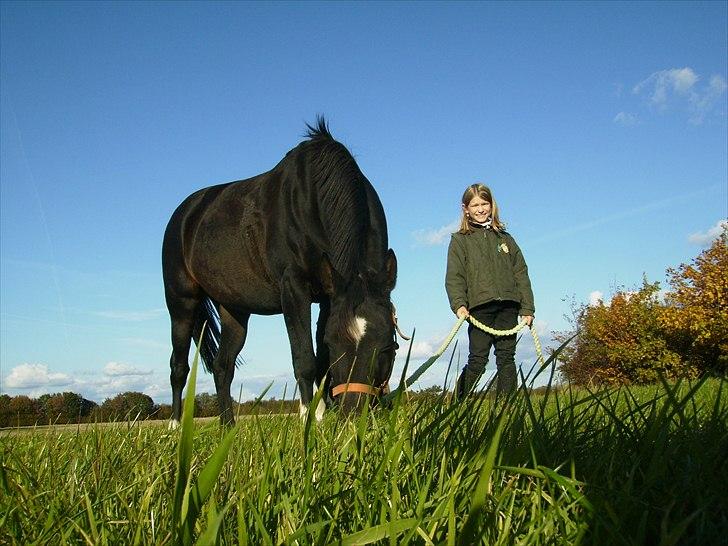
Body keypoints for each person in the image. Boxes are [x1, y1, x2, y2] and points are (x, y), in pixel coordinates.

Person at [445, 183, 535, 397]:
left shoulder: (505, 238)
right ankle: (458, 404)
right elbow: (454, 276)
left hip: (508, 306)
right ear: (465, 208)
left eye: (484, 203)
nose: (480, 209)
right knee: (478, 359)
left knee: (506, 357)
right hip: (479, 307)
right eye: (475, 205)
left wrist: (528, 307)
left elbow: (520, 272)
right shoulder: (459, 240)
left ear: (492, 205)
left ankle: (507, 408)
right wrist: (459, 304)